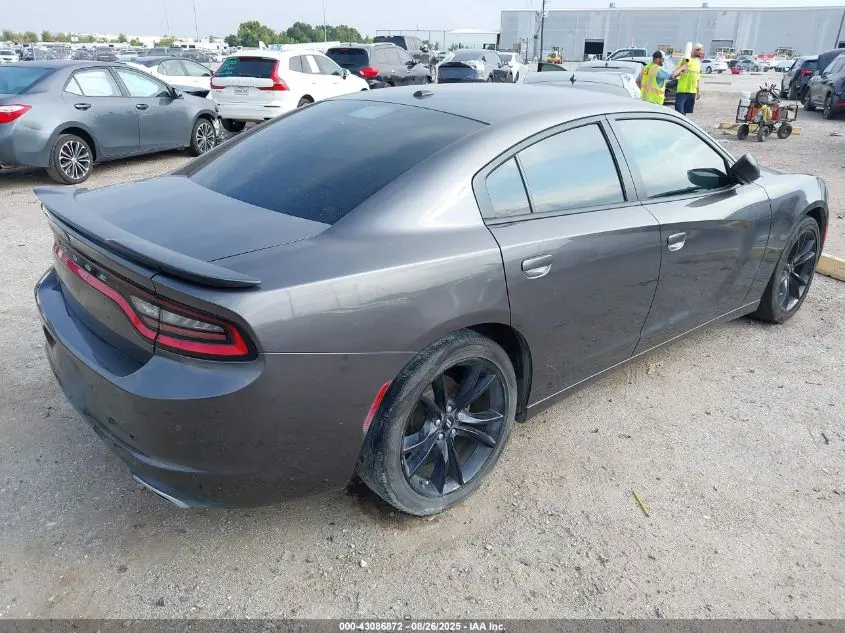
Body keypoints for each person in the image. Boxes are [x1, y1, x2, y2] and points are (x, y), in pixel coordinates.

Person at [672, 43, 704, 116]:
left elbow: (697, 78)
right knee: (679, 113)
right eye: (700, 51)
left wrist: (698, 91)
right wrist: (682, 68)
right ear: (696, 50)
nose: (701, 53)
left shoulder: (698, 62)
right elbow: (676, 72)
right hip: (682, 91)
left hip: (692, 91)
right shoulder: (685, 59)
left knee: (685, 114)